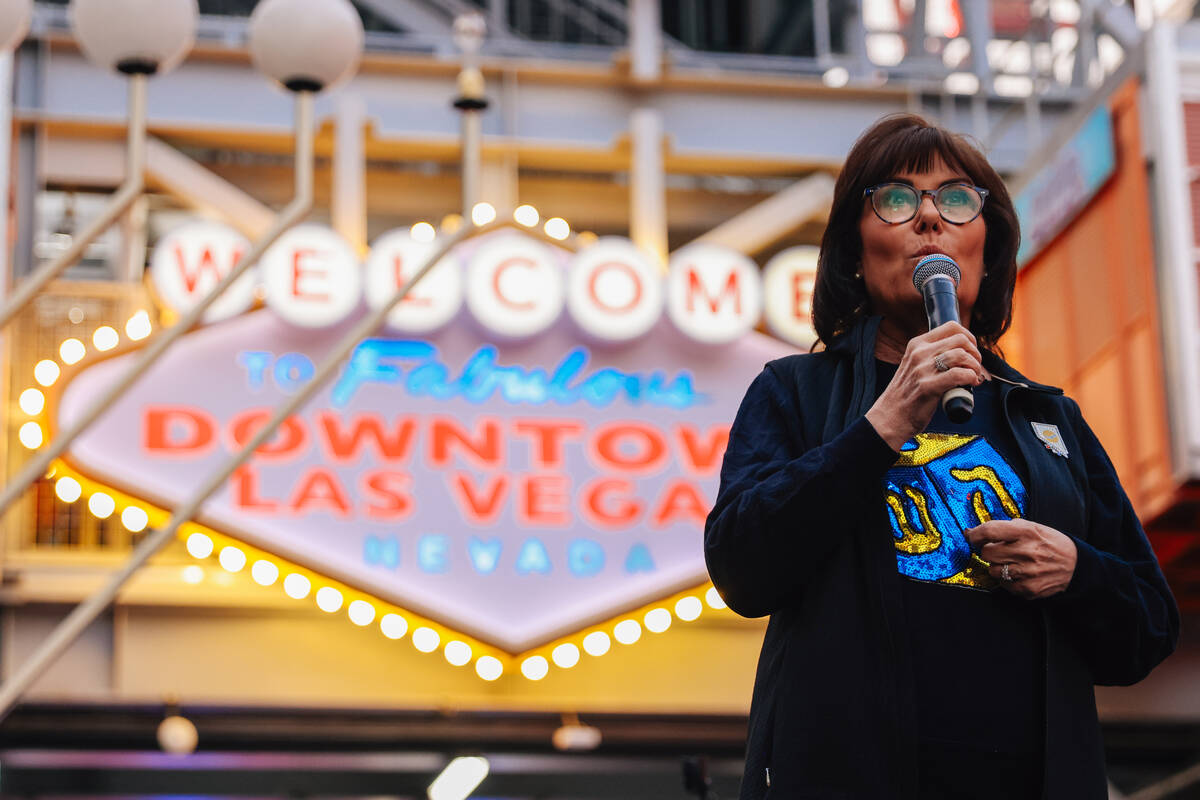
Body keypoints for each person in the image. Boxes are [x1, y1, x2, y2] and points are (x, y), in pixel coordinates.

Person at [704, 113, 1179, 799]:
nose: (930, 217)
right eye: (897, 198)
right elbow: (742, 568)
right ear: (854, 253)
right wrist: (883, 424)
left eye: (957, 198)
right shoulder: (796, 393)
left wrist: (1077, 571)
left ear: (988, 248)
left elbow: (1148, 628)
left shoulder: (1047, 416)